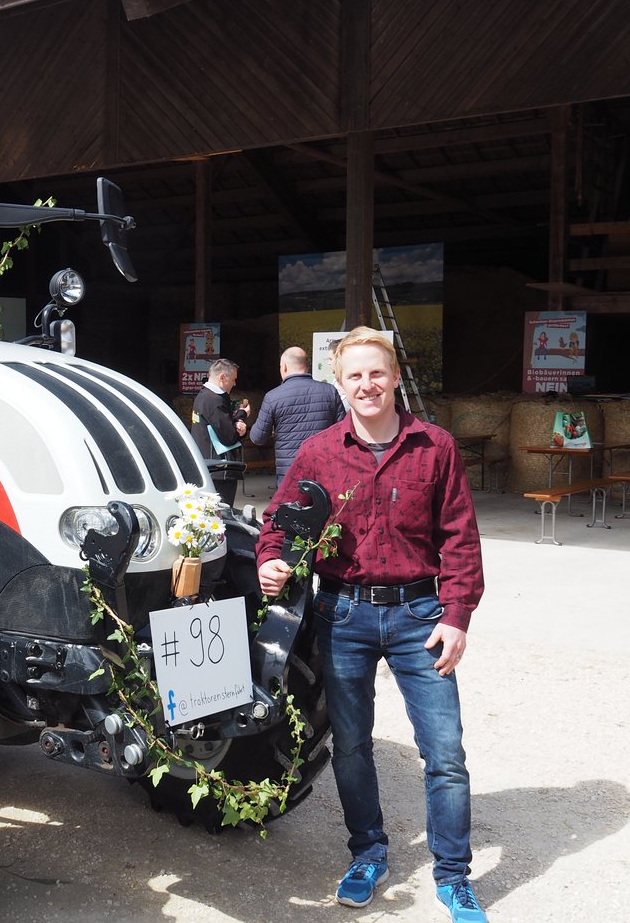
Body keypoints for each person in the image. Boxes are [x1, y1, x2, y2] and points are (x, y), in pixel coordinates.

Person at [255, 327, 487, 921]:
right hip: (343, 616)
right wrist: (272, 560)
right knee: (352, 746)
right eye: (354, 375)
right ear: (340, 384)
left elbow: (460, 538)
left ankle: (453, 875)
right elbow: (277, 522)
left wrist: (456, 614)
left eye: (376, 373)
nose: (367, 385)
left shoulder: (434, 447)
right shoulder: (319, 452)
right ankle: (368, 853)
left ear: (395, 377)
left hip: (419, 618)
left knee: (445, 752)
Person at [249, 346, 346, 487]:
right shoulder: (330, 391)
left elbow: (258, 438)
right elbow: (342, 432)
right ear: (306, 366)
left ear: (284, 367)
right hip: (324, 468)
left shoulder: (273, 397)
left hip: (289, 471)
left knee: (291, 509)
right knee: (324, 508)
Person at [190, 358, 248, 506]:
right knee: (222, 515)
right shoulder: (214, 400)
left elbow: (222, 424)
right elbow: (228, 437)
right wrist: (242, 416)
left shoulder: (203, 396)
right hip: (220, 469)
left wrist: (236, 421)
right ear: (222, 377)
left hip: (208, 465)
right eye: (233, 379)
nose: (234, 384)